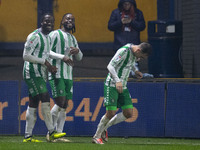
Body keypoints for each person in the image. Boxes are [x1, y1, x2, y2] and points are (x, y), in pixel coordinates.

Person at [22, 13, 73, 142]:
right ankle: (51, 132)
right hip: (32, 72)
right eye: (46, 21)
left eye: (51, 21)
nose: (49, 23)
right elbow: (26, 56)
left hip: (40, 72)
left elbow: (47, 52)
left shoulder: (47, 37)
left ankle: (28, 136)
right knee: (45, 97)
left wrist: (62, 57)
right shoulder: (34, 36)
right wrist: (45, 63)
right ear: (41, 22)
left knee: (33, 103)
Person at [92, 42, 152, 144]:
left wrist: (135, 70)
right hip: (112, 84)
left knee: (129, 113)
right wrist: (117, 80)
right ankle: (96, 136)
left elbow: (131, 62)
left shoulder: (134, 53)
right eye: (141, 56)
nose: (140, 59)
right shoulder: (124, 51)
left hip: (123, 86)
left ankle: (104, 128)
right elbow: (110, 66)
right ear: (138, 50)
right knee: (110, 113)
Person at [47, 13, 83, 142]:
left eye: (72, 19)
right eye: (67, 18)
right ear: (62, 21)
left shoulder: (73, 38)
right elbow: (47, 51)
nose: (70, 21)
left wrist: (78, 51)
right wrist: (62, 57)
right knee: (60, 102)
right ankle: (50, 132)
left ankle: (59, 134)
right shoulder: (54, 34)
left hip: (68, 75)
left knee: (65, 105)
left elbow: (79, 58)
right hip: (56, 72)